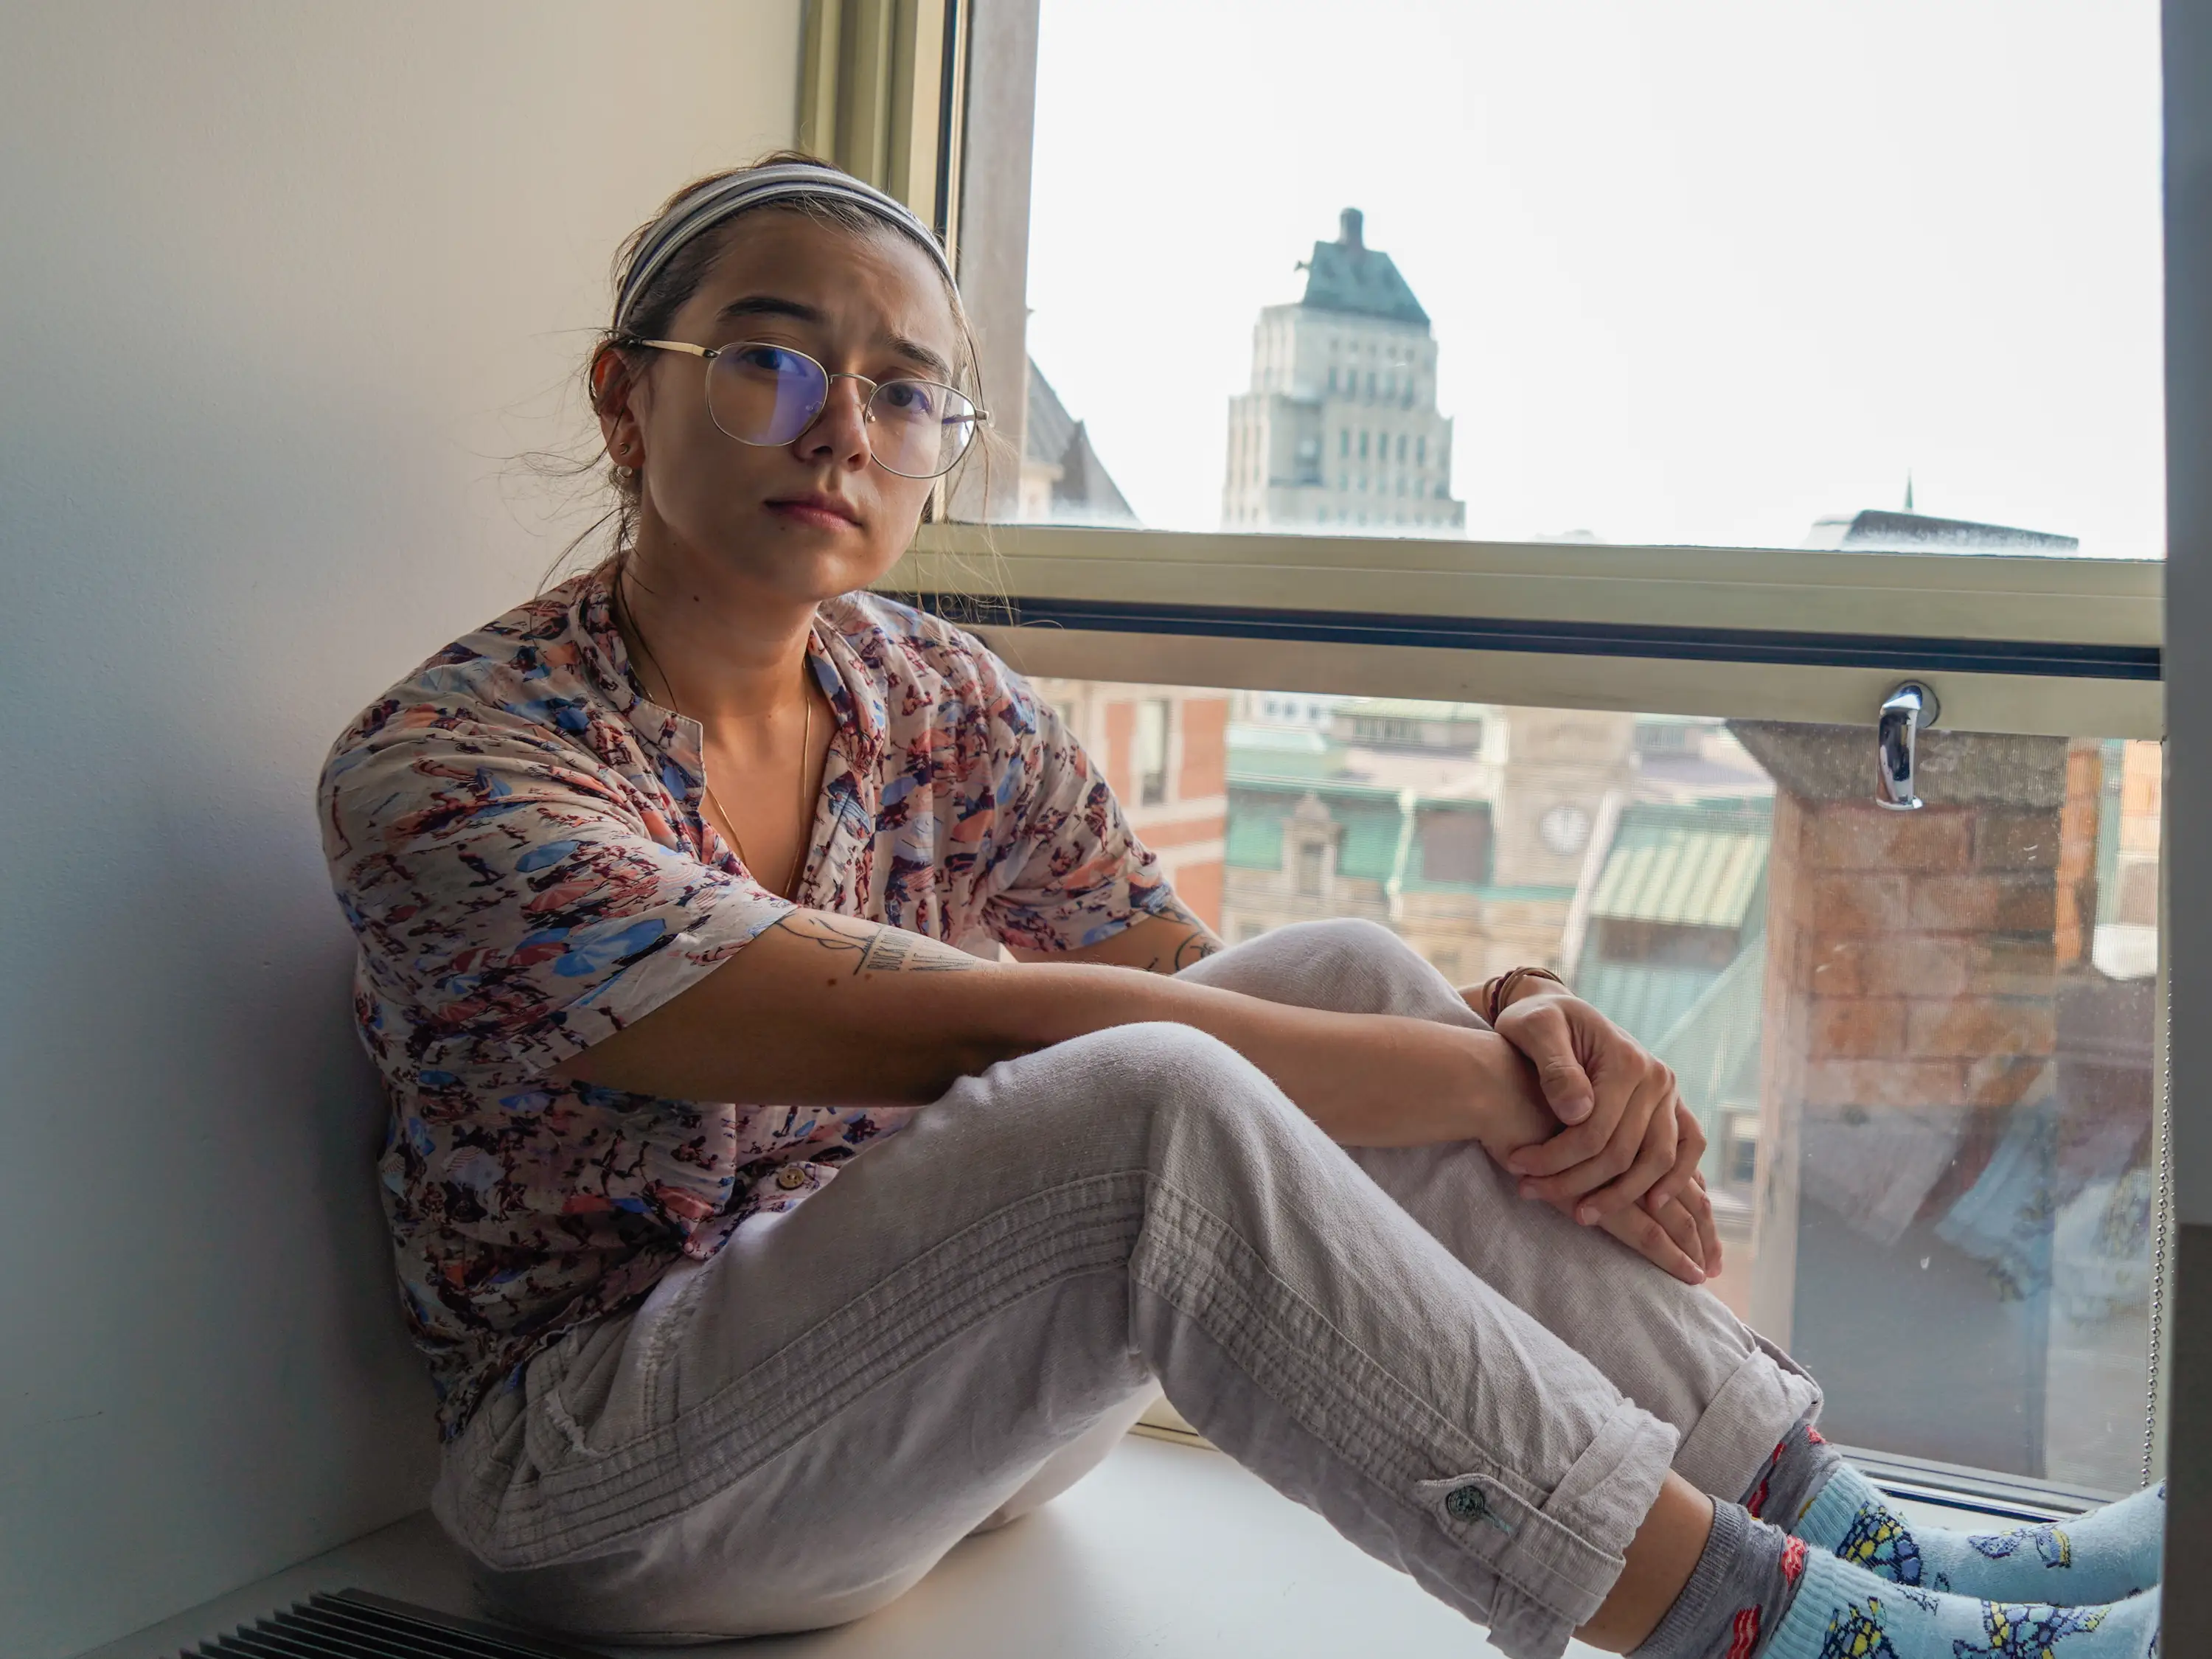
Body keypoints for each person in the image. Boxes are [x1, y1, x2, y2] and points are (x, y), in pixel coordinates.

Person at [318, 155, 2163, 1659]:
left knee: (1334, 970)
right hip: (623, 1488)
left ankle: (1877, 1550)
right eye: (771, 360)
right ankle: (1810, 1642)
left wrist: (1518, 1002)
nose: (842, 431)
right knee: (1151, 1100)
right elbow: (1003, 1026)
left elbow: (1196, 979)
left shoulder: (924, 689)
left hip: (943, 1415)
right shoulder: (455, 774)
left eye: (902, 391)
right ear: (625, 394)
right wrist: (1507, 1092)